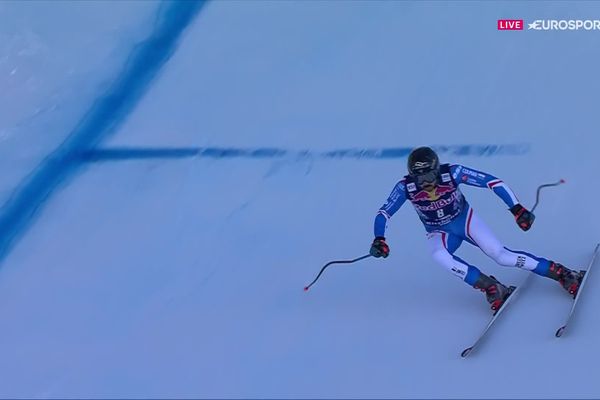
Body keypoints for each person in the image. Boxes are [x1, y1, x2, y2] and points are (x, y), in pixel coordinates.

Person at [370, 146, 583, 312]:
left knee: (501, 256)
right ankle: (491, 287)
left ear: (437, 169)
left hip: (465, 220)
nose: (426, 183)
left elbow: (493, 182)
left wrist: (516, 208)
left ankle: (563, 273)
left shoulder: (453, 173)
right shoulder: (405, 187)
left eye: (430, 176)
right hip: (439, 231)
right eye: (420, 178)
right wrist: (379, 238)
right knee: (439, 255)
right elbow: (384, 213)